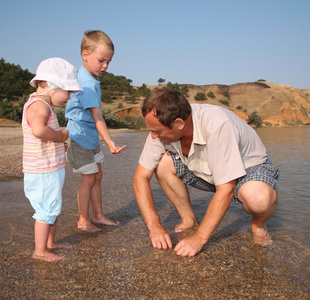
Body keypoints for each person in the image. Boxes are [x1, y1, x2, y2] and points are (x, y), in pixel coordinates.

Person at [133, 87, 280, 257]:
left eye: (157, 131)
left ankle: (259, 224)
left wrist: (199, 238)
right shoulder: (161, 125)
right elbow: (140, 178)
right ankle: (188, 221)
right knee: (162, 164)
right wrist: (154, 226)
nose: (152, 136)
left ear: (179, 123)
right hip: (206, 171)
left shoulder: (218, 124)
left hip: (247, 170)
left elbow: (226, 190)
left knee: (259, 199)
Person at [65, 30, 126, 233]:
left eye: (108, 62)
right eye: (101, 60)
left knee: (97, 176)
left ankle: (98, 216)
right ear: (85, 55)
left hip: (89, 138)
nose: (105, 66)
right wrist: (110, 142)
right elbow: (97, 116)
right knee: (89, 178)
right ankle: (84, 220)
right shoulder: (87, 83)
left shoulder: (90, 77)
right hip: (79, 138)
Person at [22, 57, 83, 262]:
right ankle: (40, 250)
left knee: (53, 206)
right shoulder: (40, 106)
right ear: (52, 86)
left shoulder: (41, 105)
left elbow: (41, 135)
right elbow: (39, 130)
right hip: (42, 170)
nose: (69, 97)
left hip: (47, 168)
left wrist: (57, 144)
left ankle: (50, 243)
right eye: (68, 92)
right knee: (46, 209)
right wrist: (61, 136)